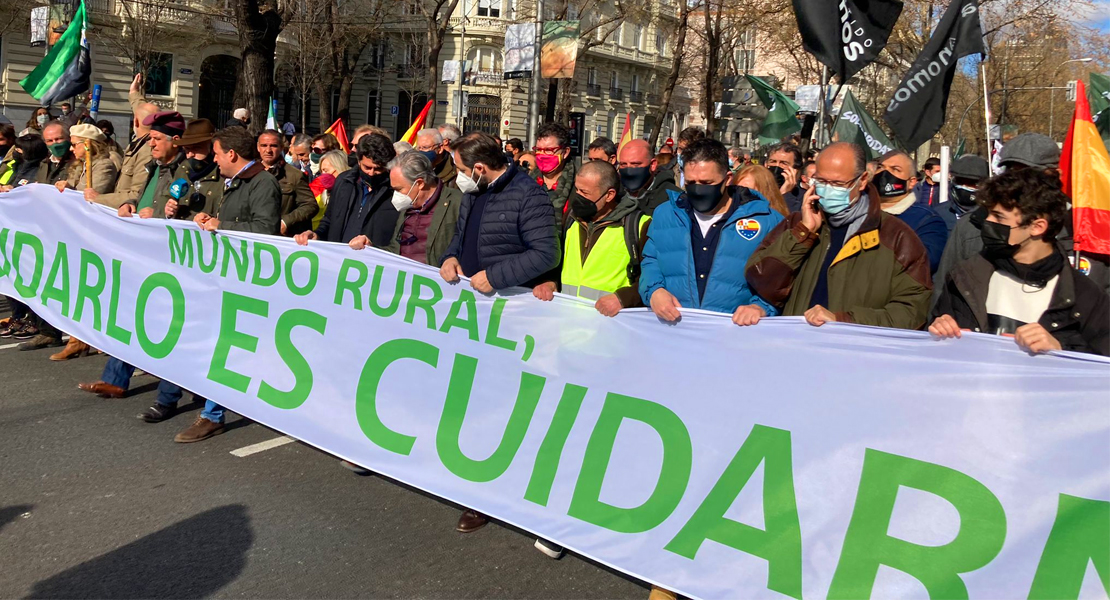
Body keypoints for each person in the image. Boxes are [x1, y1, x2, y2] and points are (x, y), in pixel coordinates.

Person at [438, 132, 559, 542]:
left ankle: (503, 493)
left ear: (479, 168)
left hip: (510, 313)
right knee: (473, 398)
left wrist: (498, 277)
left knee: (507, 404)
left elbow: (545, 253)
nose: (456, 177)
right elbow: (462, 235)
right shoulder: (475, 192)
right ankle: (476, 487)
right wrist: (451, 256)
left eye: (458, 169)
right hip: (474, 312)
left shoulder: (529, 195)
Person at [745, 142, 932, 330]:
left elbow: (911, 311)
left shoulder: (896, 237)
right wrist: (802, 233)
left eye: (837, 184)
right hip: (795, 345)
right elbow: (761, 279)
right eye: (821, 181)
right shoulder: (795, 224)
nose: (828, 189)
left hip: (852, 352)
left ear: (863, 180)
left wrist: (843, 320)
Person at [929, 167, 1108, 356]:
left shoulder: (1085, 296)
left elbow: (1100, 366)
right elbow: (937, 353)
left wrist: (1061, 351)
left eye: (998, 217)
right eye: (988, 213)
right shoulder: (965, 277)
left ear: (1037, 227)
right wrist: (939, 332)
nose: (987, 221)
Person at [933, 133, 1110, 301]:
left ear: (1053, 174)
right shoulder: (972, 225)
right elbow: (944, 289)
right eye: (1010, 171)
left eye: (1027, 172)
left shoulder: (1089, 228)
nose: (1017, 180)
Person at [640, 138, 783, 326]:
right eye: (691, 182)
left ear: (728, 179)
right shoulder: (666, 214)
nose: (698, 189)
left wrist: (761, 307)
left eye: (707, 182)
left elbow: (780, 277)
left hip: (736, 334)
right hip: (675, 330)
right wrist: (654, 291)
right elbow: (651, 260)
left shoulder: (767, 220)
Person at [533, 160, 650, 315]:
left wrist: (623, 298)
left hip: (611, 325)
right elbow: (559, 261)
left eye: (585, 193)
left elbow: (651, 278)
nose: (578, 196)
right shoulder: (571, 218)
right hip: (569, 322)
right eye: (577, 190)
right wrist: (550, 281)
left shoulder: (638, 225)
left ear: (609, 195)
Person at [294, 133, 397, 247]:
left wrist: (373, 246)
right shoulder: (343, 181)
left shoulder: (396, 191)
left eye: (378, 169)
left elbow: (397, 242)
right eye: (367, 167)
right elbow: (329, 220)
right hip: (339, 260)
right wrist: (317, 235)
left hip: (372, 262)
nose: (371, 173)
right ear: (358, 161)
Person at [361, 150, 461, 266]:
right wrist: (371, 248)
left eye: (399, 189)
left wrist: (452, 259)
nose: (396, 195)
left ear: (419, 183)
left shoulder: (456, 202)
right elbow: (396, 251)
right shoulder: (408, 205)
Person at [872, 149, 948, 273]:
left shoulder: (927, 221)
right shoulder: (857, 211)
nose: (885, 174)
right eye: (880, 167)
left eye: (895, 169)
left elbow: (924, 264)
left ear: (912, 182)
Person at [118, 111, 187, 220]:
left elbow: (189, 213)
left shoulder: (184, 172)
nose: (151, 144)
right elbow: (144, 199)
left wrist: (157, 214)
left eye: (157, 139)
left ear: (175, 141)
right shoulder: (154, 167)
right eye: (150, 138)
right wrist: (129, 204)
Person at [258, 129, 316, 236]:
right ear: (258, 147)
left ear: (281, 148)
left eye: (273, 146)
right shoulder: (249, 172)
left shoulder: (295, 175)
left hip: (280, 238)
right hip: (253, 236)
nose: (268, 150)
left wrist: (286, 221)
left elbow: (310, 205)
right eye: (264, 145)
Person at [164, 118, 223, 221]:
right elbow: (168, 197)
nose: (190, 154)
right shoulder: (182, 169)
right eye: (187, 149)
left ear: (212, 148)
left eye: (196, 148)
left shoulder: (223, 174)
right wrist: (169, 210)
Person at [616, 139, 682, 216]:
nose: (628, 170)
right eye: (623, 164)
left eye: (635, 164)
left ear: (653, 165)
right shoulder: (613, 195)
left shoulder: (674, 199)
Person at [54, 123, 118, 195]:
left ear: (88, 144)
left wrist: (70, 190)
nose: (71, 149)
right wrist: (66, 185)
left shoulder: (104, 165)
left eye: (74, 144)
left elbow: (92, 196)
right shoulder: (80, 164)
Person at [531, 122, 577, 214]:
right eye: (539, 150)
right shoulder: (526, 180)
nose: (542, 155)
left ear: (565, 152)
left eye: (548, 150)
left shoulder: (578, 184)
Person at [936, 155, 989, 233]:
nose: (965, 186)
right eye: (960, 182)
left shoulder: (992, 216)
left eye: (973, 183)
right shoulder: (938, 215)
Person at [763, 142, 804, 213]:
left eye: (783, 163)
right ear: (766, 164)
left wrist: (785, 194)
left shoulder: (802, 198)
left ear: (795, 170)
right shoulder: (755, 190)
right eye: (773, 161)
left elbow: (792, 220)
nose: (777, 165)